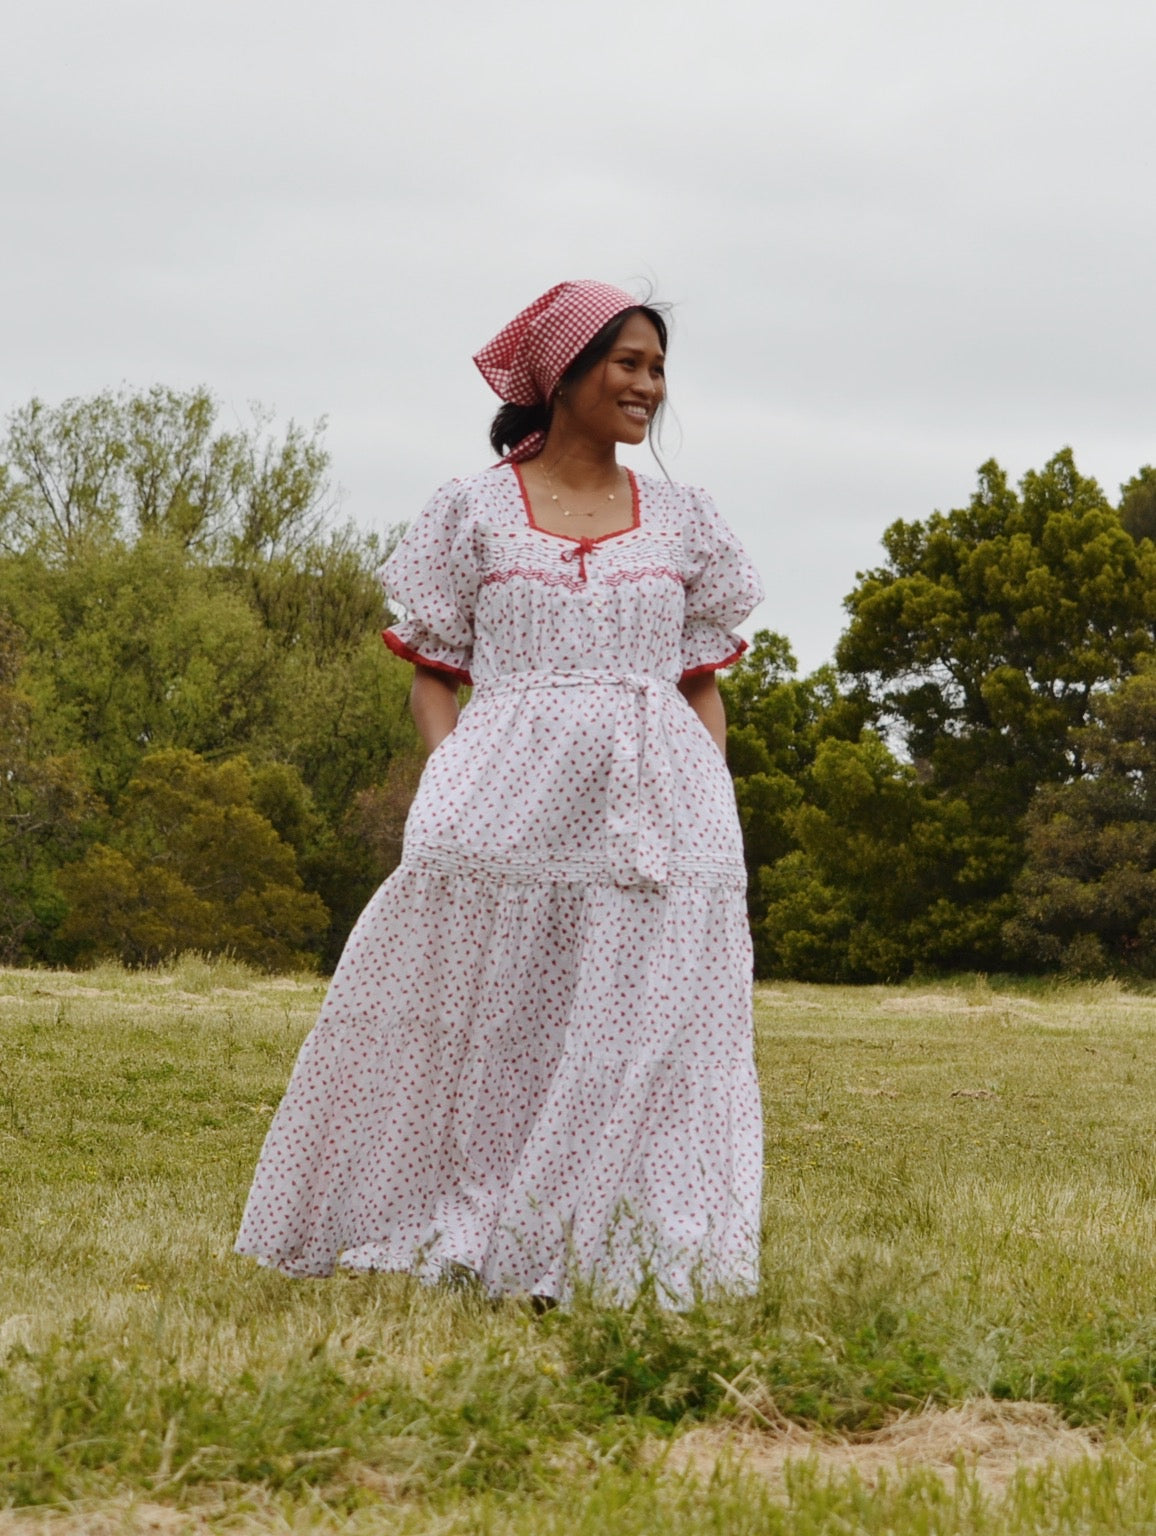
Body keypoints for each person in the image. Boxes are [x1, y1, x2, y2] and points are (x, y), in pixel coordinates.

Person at [236, 281, 765, 1306]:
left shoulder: (685, 520)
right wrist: (449, 784)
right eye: (628, 363)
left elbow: (700, 680)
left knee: (637, 1027)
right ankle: (479, 1221)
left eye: (656, 368)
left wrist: (713, 806)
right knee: (493, 1022)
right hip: (500, 801)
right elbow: (433, 667)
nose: (648, 386)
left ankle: (612, 1241)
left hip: (657, 808)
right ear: (562, 375)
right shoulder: (470, 509)